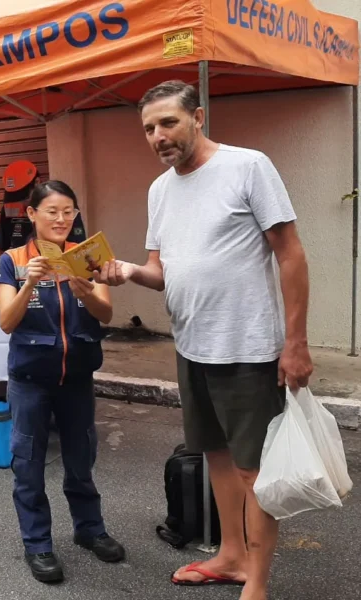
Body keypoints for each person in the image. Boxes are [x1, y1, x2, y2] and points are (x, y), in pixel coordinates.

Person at [94, 81, 313, 600]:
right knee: (214, 454)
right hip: (192, 344)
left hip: (249, 347)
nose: (158, 136)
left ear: (197, 116)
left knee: (254, 468)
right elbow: (160, 270)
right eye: (148, 128)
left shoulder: (247, 167)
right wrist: (126, 270)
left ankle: (256, 583)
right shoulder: (160, 189)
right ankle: (232, 555)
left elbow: (291, 255)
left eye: (168, 122)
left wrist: (296, 342)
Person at [0, 180, 125, 584]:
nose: (62, 219)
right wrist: (30, 281)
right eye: (52, 211)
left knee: (81, 460)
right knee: (28, 465)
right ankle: (38, 544)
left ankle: (89, 530)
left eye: (69, 211)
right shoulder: (11, 261)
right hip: (31, 381)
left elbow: (106, 314)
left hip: (77, 379)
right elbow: (6, 322)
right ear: (31, 215)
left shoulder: (89, 257)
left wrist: (86, 289)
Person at [0, 160, 87, 255]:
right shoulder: (10, 207)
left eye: (23, 197)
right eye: (14, 197)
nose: (20, 202)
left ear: (37, 182)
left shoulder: (62, 206)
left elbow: (79, 247)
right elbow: (1, 246)